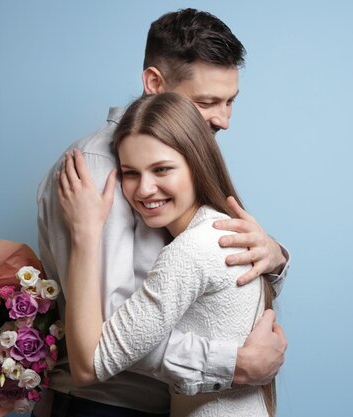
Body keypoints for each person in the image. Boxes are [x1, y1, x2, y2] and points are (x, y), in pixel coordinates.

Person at [35, 8, 289, 417]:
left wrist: (275, 256)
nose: (223, 120)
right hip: (105, 406)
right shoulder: (100, 171)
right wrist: (234, 364)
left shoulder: (179, 158)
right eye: (207, 102)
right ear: (155, 83)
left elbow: (214, 275)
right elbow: (107, 341)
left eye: (230, 101)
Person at [59, 92, 277, 417]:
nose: (144, 189)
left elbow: (89, 366)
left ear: (197, 164)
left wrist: (84, 234)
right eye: (131, 173)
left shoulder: (191, 250)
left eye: (161, 170)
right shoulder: (223, 231)